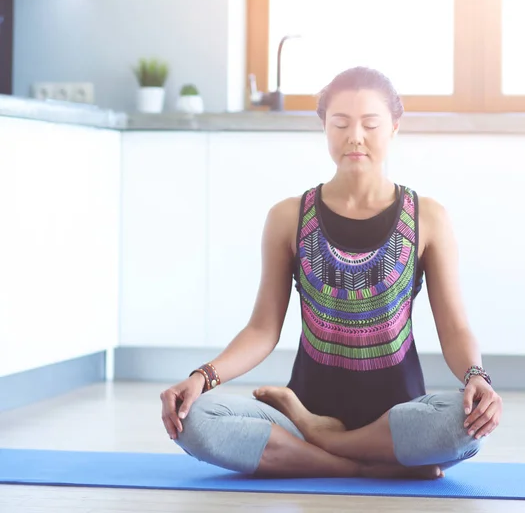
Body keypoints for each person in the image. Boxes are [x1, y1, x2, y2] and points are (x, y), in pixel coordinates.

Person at [159, 66, 503, 480]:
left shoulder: (427, 217)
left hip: (397, 420)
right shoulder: (289, 217)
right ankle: (357, 460)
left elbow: (454, 326)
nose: (354, 137)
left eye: (370, 124)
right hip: (304, 406)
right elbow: (262, 330)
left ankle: (323, 444)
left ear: (394, 126)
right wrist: (201, 377)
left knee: (464, 426)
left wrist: (477, 378)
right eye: (340, 123)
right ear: (324, 126)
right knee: (195, 420)